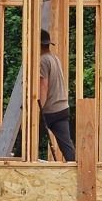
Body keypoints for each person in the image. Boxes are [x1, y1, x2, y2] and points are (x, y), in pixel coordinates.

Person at [39, 29, 76, 162]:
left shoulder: (42, 61)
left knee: (26, 138)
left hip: (49, 110)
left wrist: (39, 110)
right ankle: (75, 170)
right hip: (62, 108)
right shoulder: (55, 59)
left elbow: (43, 85)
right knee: (66, 145)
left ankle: (18, 165)